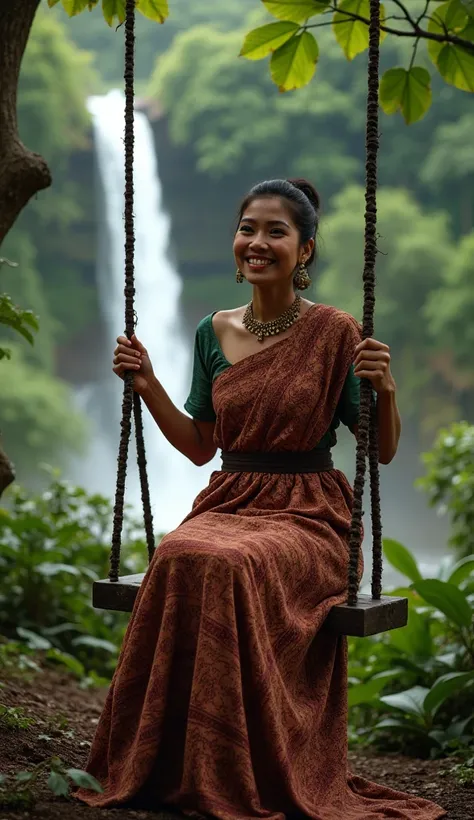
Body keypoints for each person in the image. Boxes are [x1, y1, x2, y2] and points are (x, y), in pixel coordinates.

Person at [76, 179, 445, 820]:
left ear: (304, 250)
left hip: (311, 512)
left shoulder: (334, 332)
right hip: (230, 499)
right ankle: (177, 761)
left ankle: (238, 764)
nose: (258, 242)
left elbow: (379, 451)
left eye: (276, 231)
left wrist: (385, 392)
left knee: (229, 563)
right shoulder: (210, 331)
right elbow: (198, 447)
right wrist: (148, 382)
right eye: (249, 228)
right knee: (182, 552)